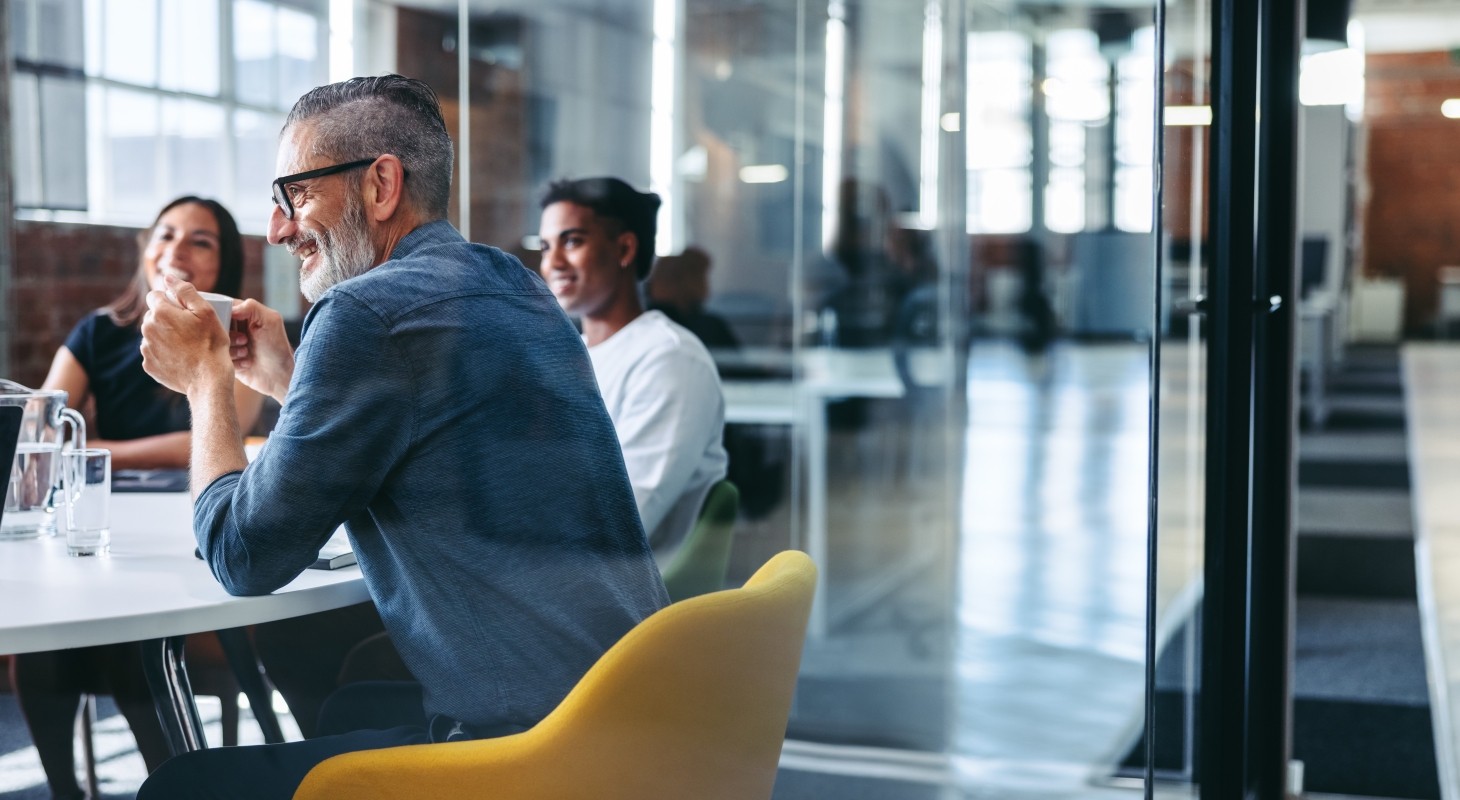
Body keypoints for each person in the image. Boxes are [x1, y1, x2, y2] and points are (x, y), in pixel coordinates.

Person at [134, 74, 665, 798]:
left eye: (295, 195)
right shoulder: (514, 285)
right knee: (352, 695)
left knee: (182, 785)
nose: (278, 229)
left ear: (381, 184)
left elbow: (243, 556)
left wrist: (206, 384)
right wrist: (292, 380)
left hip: (534, 753)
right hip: (632, 715)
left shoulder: (364, 313)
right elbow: (433, 443)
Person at [10, 197, 263, 800]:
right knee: (44, 649)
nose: (176, 249)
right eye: (166, 234)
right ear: (146, 249)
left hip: (196, 529)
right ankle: (65, 792)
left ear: (223, 264)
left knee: (131, 642)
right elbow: (43, 427)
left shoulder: (234, 335)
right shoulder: (99, 331)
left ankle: (173, 786)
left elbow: (222, 432)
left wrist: (101, 450)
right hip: (107, 529)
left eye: (200, 241)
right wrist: (83, 445)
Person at [538, 177, 728, 567]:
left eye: (572, 241)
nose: (553, 263)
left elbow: (622, 522)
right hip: (561, 574)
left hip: (620, 602)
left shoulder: (669, 360)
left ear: (625, 248)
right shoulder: (574, 357)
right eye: (545, 246)